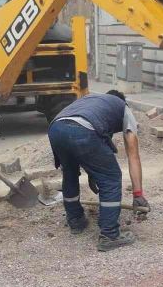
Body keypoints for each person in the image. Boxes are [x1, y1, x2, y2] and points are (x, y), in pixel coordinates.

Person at [48, 91, 150, 252]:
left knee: (70, 173)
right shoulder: (123, 108)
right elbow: (133, 154)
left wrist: (93, 173)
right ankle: (109, 235)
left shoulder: (92, 101)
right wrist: (138, 194)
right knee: (111, 177)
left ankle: (75, 220)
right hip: (83, 130)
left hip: (56, 128)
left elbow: (94, 148)